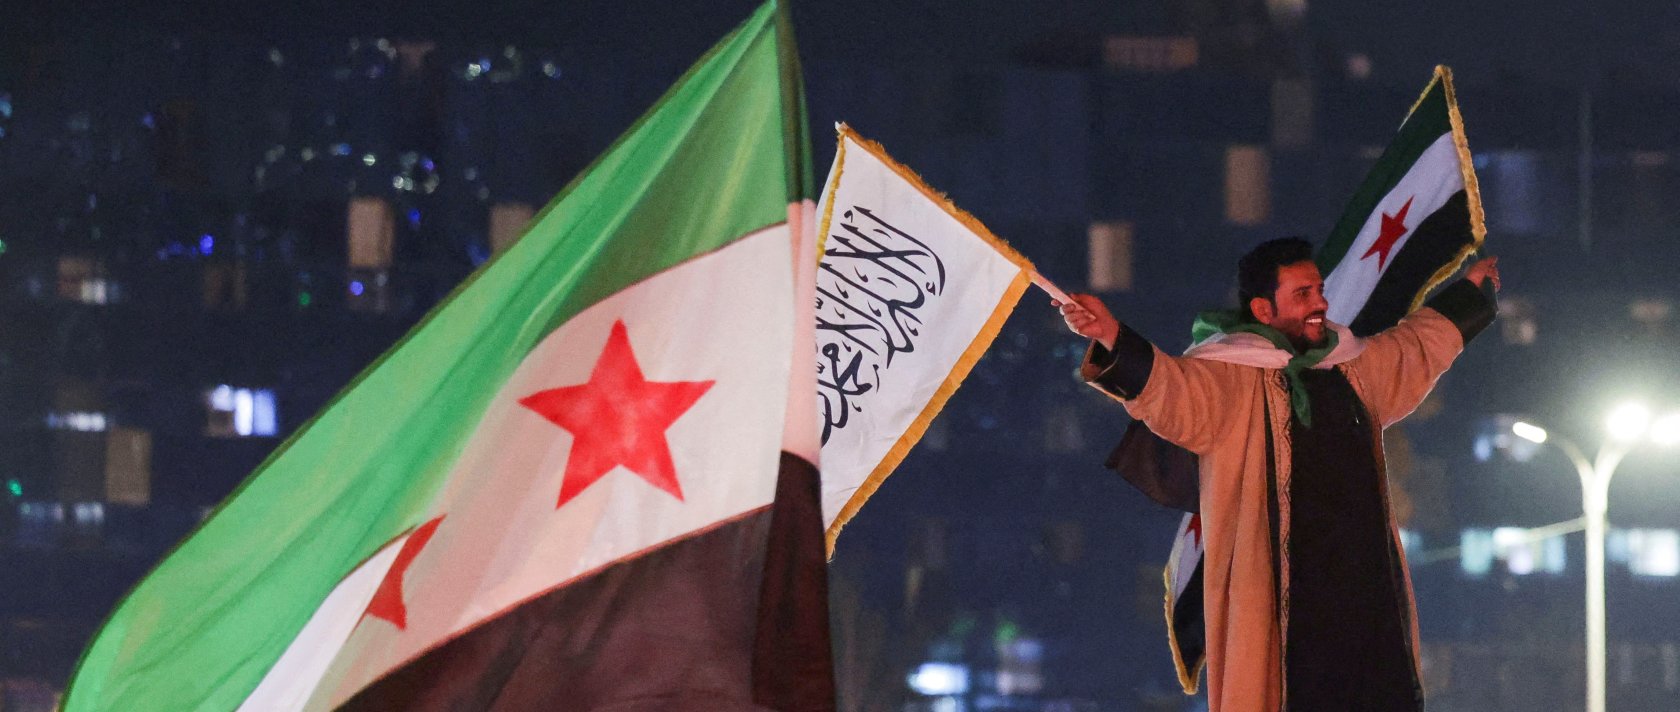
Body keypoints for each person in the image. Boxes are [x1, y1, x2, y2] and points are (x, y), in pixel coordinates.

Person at [1056, 237, 1499, 712]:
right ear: (1263, 310)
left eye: (1319, 290)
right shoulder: (1231, 376)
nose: (1320, 304)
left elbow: (1414, 348)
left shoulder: (1352, 366)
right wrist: (1111, 335)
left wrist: (1469, 294)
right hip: (1280, 602)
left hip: (1364, 599)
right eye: (1302, 294)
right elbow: (1170, 389)